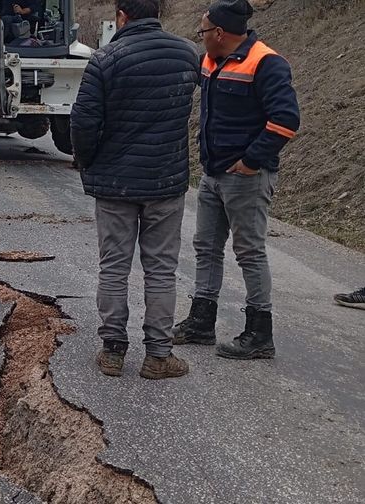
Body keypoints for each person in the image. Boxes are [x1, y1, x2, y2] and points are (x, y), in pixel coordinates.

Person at [70, 0, 200, 379]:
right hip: (166, 181)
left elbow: (83, 120)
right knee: (161, 270)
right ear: (159, 14)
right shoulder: (187, 54)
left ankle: (113, 351)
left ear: (122, 16)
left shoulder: (106, 59)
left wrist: (88, 162)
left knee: (114, 266)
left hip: (114, 184)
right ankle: (158, 355)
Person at [174, 0, 300, 360]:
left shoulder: (266, 62)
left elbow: (286, 120)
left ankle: (259, 333)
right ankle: (201, 322)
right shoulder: (210, 61)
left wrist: (251, 160)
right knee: (206, 248)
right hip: (213, 173)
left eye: (202, 32)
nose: (200, 39)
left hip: (246, 177)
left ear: (219, 33)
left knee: (249, 252)